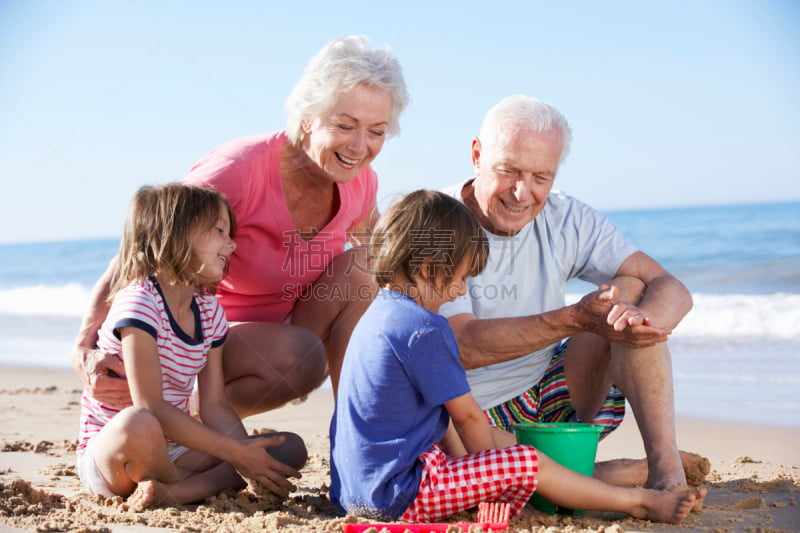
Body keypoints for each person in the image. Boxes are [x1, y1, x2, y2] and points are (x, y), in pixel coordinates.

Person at [71, 35, 409, 451]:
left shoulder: (360, 182)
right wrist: (84, 345)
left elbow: (387, 271)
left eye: (376, 131)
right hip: (203, 341)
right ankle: (190, 423)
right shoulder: (236, 170)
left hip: (289, 331)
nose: (360, 147)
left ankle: (357, 442)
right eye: (344, 125)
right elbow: (142, 249)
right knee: (300, 353)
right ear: (308, 118)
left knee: (365, 265)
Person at [329, 190, 701, 524]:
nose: (459, 291)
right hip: (401, 496)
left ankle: (615, 480)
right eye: (460, 280)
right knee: (527, 462)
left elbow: (434, 424)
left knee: (481, 450)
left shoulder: (375, 317)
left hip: (355, 493)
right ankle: (637, 502)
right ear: (428, 270)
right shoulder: (426, 328)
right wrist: (495, 481)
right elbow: (469, 418)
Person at [439, 94, 707, 493]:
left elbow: (672, 289)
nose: (521, 192)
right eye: (508, 170)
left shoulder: (566, 217)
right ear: (476, 155)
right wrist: (573, 319)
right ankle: (603, 475)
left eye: (540, 177)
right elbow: (462, 345)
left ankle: (664, 464)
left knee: (631, 292)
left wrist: (641, 329)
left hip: (552, 391)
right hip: (471, 413)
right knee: (485, 466)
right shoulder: (435, 221)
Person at [77, 184, 307, 511]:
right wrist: (235, 455)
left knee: (288, 448)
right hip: (116, 453)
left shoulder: (209, 310)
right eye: (219, 231)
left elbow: (214, 405)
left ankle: (175, 489)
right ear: (175, 234)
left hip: (175, 447)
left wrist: (247, 457)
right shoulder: (140, 301)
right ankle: (184, 487)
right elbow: (152, 407)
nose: (231, 243)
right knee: (138, 422)